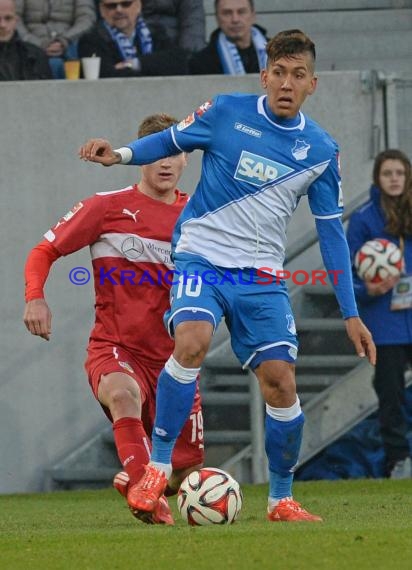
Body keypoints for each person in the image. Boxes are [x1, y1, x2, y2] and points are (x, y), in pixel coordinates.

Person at [79, 29, 376, 523]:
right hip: (201, 255)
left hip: (260, 276)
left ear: (312, 85)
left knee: (281, 384)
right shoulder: (224, 112)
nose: (286, 83)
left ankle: (281, 498)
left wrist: (350, 313)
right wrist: (123, 155)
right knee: (191, 341)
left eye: (297, 75)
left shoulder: (321, 150)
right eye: (278, 73)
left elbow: (332, 236)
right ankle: (155, 467)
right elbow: (171, 139)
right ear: (264, 76)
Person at [23, 113, 204, 525]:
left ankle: (137, 479)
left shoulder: (199, 215)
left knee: (183, 473)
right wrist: (36, 298)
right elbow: (43, 251)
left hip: (176, 360)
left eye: (174, 152)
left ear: (186, 159)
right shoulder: (106, 207)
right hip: (116, 347)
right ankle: (149, 499)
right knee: (123, 395)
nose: (166, 161)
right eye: (157, 152)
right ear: (140, 157)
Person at [347, 149, 412, 479]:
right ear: (377, 178)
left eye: (399, 173)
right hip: (384, 325)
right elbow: (343, 275)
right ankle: (397, 461)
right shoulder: (364, 218)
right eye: (388, 173)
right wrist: (367, 291)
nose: (394, 179)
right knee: (391, 396)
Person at [78, 0, 188, 77]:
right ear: (102, 10)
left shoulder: (155, 33)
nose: (119, 10)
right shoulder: (91, 40)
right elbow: (107, 75)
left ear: (138, 6)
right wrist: (155, 68)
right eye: (111, 6)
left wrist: (135, 64)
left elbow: (179, 61)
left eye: (126, 4)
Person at [15, 0, 96, 78]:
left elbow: (86, 18)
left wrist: (64, 40)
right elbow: (14, 18)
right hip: (32, 43)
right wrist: (39, 44)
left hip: (69, 42)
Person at [189, 0, 268, 75]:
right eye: (227, 13)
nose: (235, 19)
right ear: (217, 18)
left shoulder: (277, 52)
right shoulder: (201, 62)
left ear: (253, 15)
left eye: (241, 12)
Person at [0, 0, 51, 80]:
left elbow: (47, 90)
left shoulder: (35, 55)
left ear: (15, 21)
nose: (2, 25)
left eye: (8, 18)